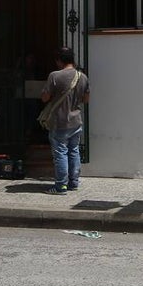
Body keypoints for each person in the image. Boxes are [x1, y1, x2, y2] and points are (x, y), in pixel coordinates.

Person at [40, 47, 90, 195]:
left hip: (59, 121)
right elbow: (86, 99)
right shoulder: (83, 77)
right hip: (76, 120)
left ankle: (61, 185)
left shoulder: (55, 76)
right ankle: (74, 182)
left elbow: (45, 97)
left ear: (59, 60)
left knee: (60, 153)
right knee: (74, 151)